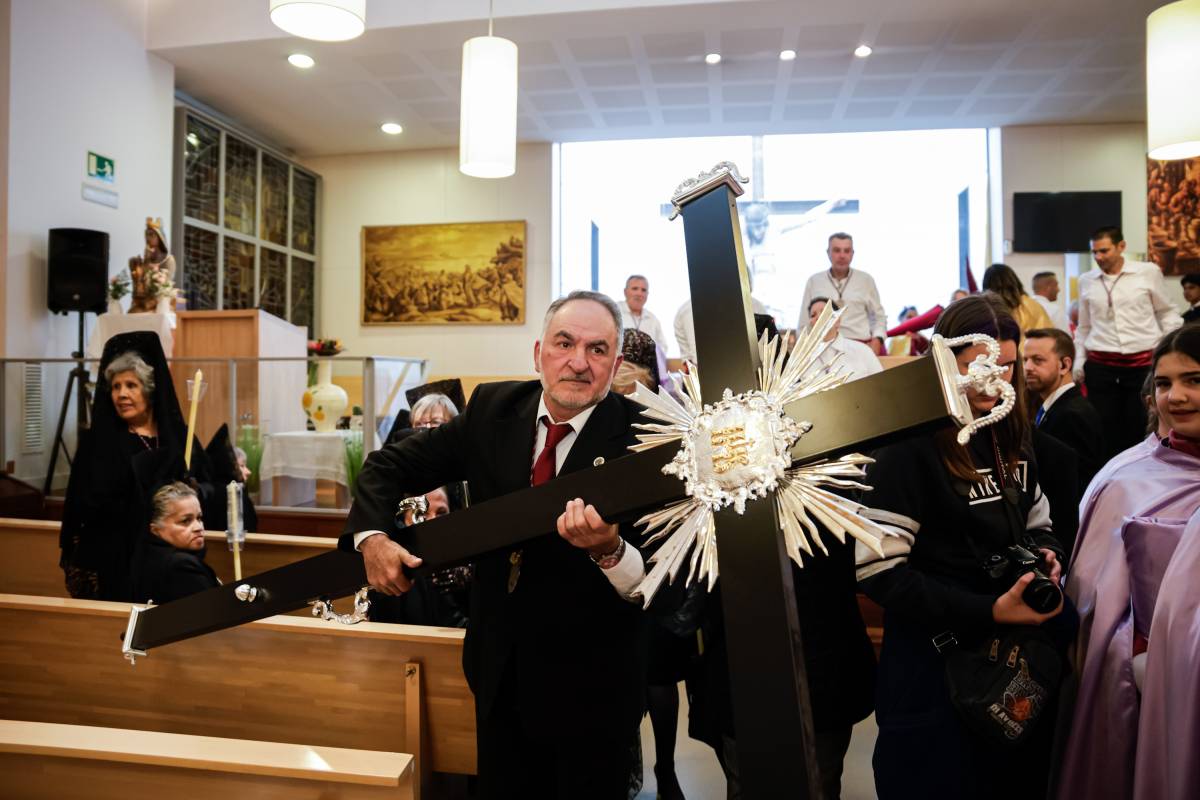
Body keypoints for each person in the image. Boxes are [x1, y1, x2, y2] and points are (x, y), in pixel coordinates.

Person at [342, 291, 655, 799]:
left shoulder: (644, 437)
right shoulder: (492, 410)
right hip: (499, 679)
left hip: (594, 694)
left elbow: (663, 582)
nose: (578, 362)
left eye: (597, 350)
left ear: (615, 364)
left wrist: (609, 550)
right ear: (538, 354)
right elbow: (388, 465)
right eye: (564, 343)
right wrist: (372, 537)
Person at [857, 294, 1071, 799]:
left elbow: (1039, 521)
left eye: (1008, 369)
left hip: (1009, 666)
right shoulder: (908, 445)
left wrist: (1045, 554)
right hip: (932, 672)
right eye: (980, 368)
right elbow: (878, 572)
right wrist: (990, 609)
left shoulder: (1012, 435)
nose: (994, 384)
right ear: (944, 363)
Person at [1057, 325, 1200, 800]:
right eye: (1163, 383)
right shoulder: (1127, 479)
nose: (1175, 396)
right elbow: (1093, 605)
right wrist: (1145, 657)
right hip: (1146, 692)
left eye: (1194, 380)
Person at [60, 333, 215, 601]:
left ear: (150, 389)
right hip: (116, 562)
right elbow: (83, 504)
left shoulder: (178, 436)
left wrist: (193, 490)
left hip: (171, 567)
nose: (121, 394)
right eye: (116, 386)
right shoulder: (98, 443)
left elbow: (212, 484)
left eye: (131, 385)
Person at [1074, 225, 1182, 458]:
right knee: (1103, 427)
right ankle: (1110, 477)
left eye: (1104, 251)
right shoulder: (1087, 280)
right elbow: (1084, 327)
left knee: (1142, 422)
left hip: (1142, 362)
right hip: (1101, 363)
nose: (1098, 257)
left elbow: (1167, 313)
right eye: (1094, 252)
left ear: (1121, 247)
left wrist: (1166, 352)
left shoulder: (1147, 272)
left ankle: (1146, 469)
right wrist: (1079, 360)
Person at [1023, 329, 1105, 491]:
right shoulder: (1056, 407)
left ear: (1064, 365)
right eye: (1025, 360)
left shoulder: (1072, 415)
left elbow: (1074, 483)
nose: (1027, 367)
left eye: (1037, 360)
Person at [130, 482, 219, 605]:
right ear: (156, 530)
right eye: (185, 521)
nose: (198, 527)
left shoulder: (147, 554)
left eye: (199, 518)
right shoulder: (181, 566)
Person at [799, 233, 887, 354]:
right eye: (836, 250)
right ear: (828, 253)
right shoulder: (814, 281)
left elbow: (878, 317)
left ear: (852, 254)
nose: (842, 255)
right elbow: (804, 322)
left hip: (861, 346)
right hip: (824, 349)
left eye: (847, 251)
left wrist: (878, 340)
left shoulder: (866, 280)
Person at [802, 297, 882, 383]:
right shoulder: (804, 359)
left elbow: (882, 383)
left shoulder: (862, 351)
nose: (818, 317)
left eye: (824, 312)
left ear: (837, 320)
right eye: (813, 315)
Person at [673, 294, 766, 367]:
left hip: (740, 369)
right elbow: (694, 357)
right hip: (704, 373)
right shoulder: (689, 310)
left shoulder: (753, 304)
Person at [982, 263, 1053, 334]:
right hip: (1032, 345)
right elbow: (1048, 334)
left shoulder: (985, 308)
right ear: (1014, 281)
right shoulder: (1033, 306)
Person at [617, 274, 666, 348]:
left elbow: (662, 348)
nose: (639, 293)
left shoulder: (653, 320)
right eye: (635, 288)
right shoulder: (613, 312)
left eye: (643, 290)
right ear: (625, 291)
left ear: (647, 294)